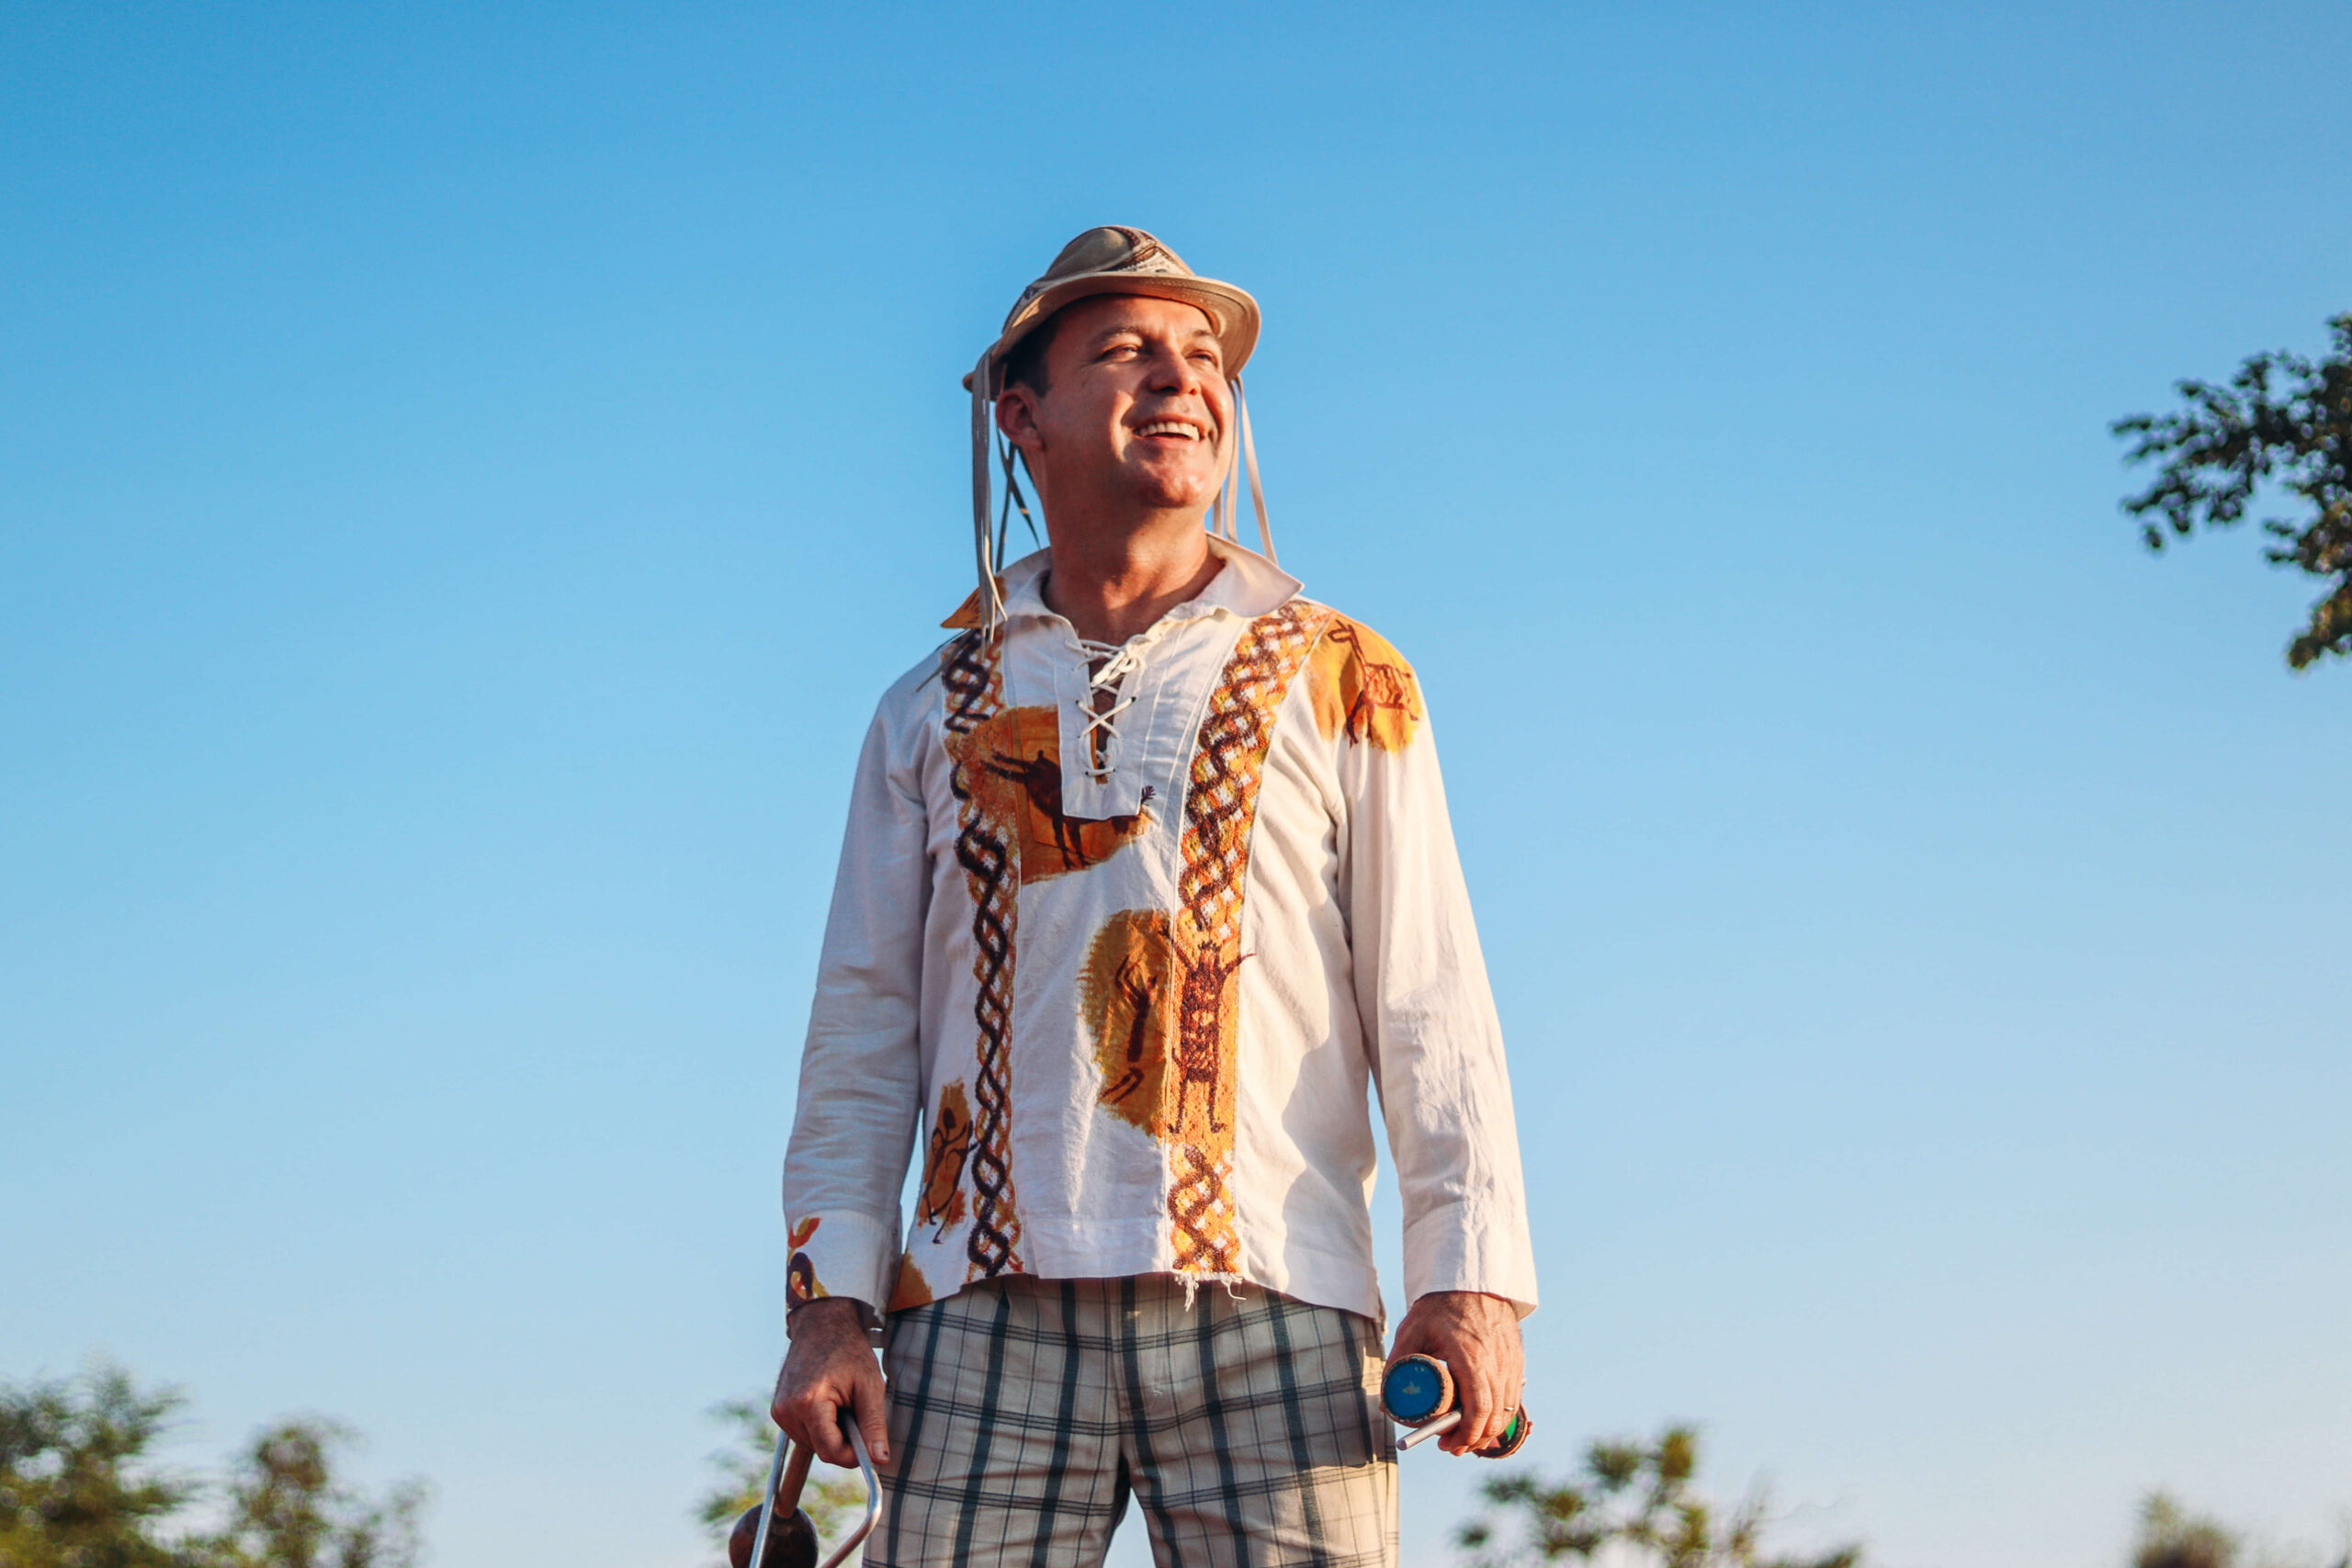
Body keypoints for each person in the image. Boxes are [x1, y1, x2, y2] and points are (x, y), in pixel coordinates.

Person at [771, 225, 1537, 1567]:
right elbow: (863, 1026)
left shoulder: (1345, 673)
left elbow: (1431, 996)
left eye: (1202, 357)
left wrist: (1470, 1277)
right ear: (1023, 418)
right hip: (974, 1309)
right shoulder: (929, 709)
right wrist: (829, 1304)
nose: (1181, 379)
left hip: (1282, 1298)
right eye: (1125, 351)